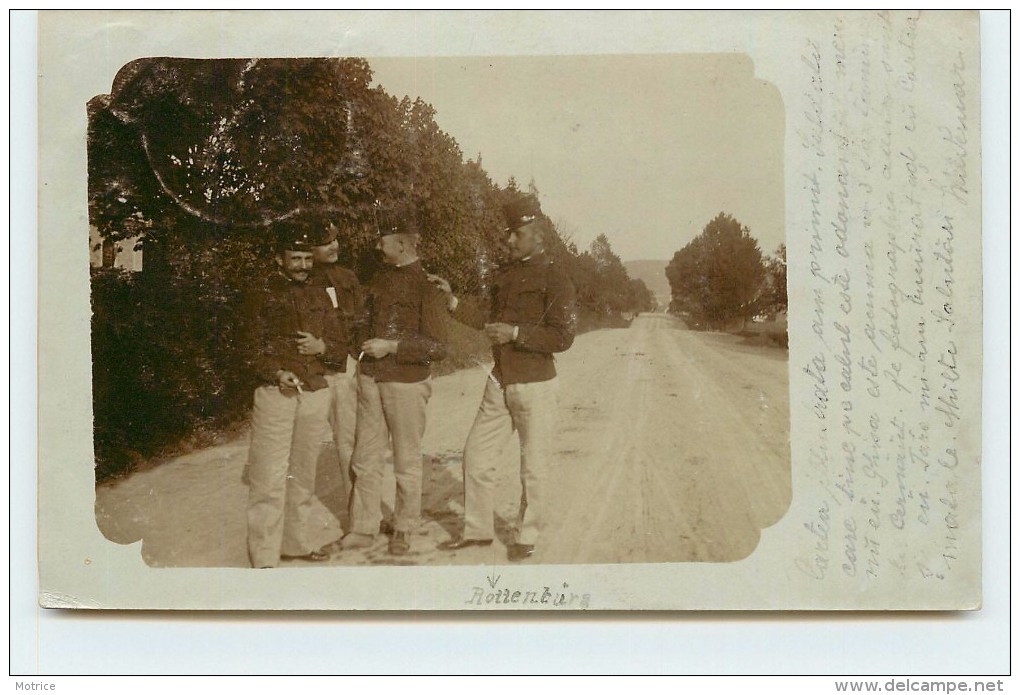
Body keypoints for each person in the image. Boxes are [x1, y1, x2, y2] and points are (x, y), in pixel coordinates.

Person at [429, 197, 576, 562]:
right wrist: (452, 302)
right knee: (476, 455)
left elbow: (563, 337)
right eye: (509, 233)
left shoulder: (556, 276)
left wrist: (515, 334)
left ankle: (528, 535)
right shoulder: (505, 275)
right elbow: (486, 317)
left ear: (538, 236)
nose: (509, 240)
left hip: (535, 384)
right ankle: (477, 532)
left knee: (534, 466)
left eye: (518, 233)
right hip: (500, 380)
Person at [241, 219, 350, 568]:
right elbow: (245, 348)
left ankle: (296, 545)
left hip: (315, 391)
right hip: (275, 394)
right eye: (295, 258)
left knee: (302, 476)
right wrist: (275, 372)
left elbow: (340, 346)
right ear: (279, 259)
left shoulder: (321, 294)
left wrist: (322, 347)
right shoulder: (260, 294)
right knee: (268, 477)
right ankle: (263, 557)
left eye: (307, 258)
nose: (302, 265)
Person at [342, 207, 449, 556]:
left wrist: (391, 346)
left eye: (382, 238)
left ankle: (404, 526)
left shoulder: (427, 286)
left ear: (401, 243)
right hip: (370, 379)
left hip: (406, 382)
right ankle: (363, 527)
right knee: (365, 457)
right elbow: (360, 321)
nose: (376, 244)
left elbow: (439, 347)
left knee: (406, 460)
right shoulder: (378, 278)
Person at [307, 218, 362, 519]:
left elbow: (359, 321)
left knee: (348, 442)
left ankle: (360, 512)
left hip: (342, 371)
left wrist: (357, 358)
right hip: (312, 374)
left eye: (335, 239)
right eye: (326, 242)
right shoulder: (300, 282)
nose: (334, 246)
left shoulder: (347, 278)